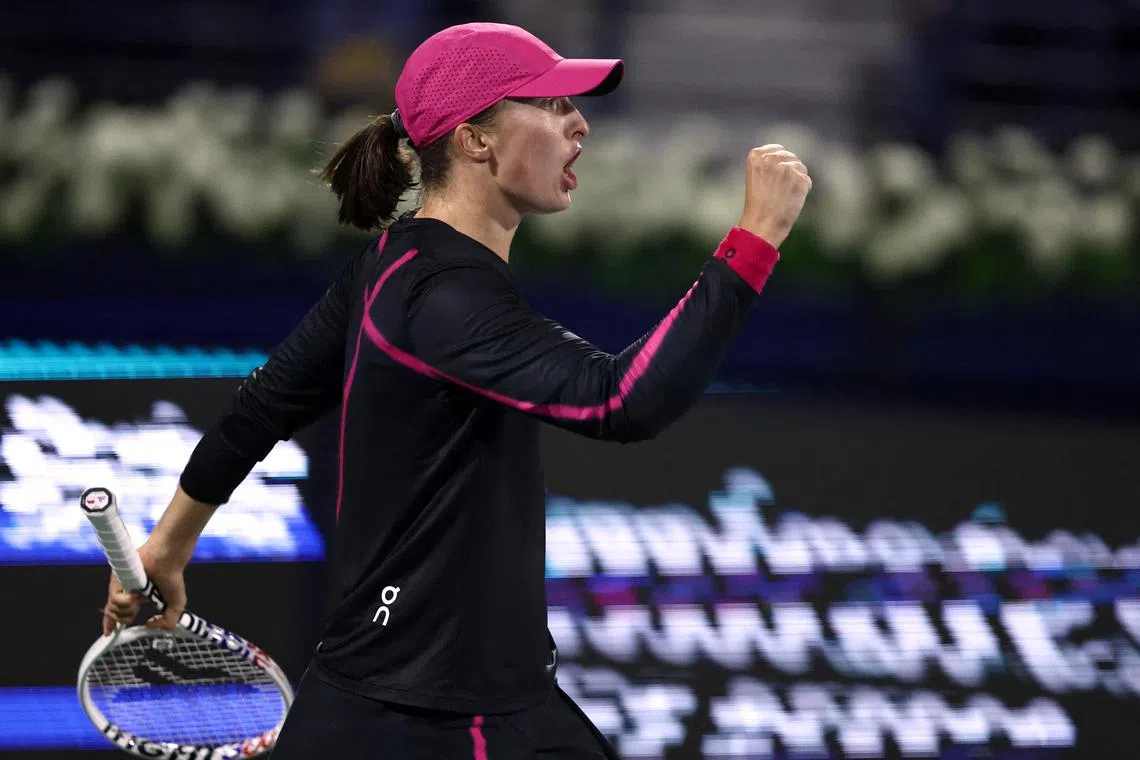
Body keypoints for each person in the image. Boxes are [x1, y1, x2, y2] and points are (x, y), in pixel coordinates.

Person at [101, 21, 811, 760]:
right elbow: (621, 399)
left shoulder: (396, 261)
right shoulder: (445, 301)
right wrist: (755, 238)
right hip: (431, 721)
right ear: (476, 140)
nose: (581, 125)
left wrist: (167, 548)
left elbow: (261, 406)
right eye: (553, 105)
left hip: (481, 699)